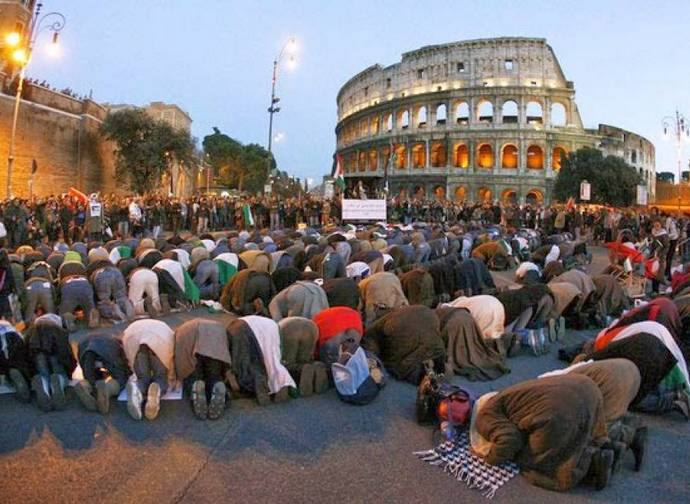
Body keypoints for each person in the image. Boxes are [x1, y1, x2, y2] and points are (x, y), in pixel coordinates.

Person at [472, 374, 614, 492]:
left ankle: (593, 463)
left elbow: (510, 439)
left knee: (535, 462)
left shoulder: (484, 415)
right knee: (583, 432)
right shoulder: (503, 396)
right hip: (587, 386)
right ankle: (613, 442)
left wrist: (491, 458)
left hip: (560, 409)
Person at [174, 318, 232, 420]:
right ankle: (216, 384)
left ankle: (195, 385)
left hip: (188, 335)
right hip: (215, 332)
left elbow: (179, 358)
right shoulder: (218, 325)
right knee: (214, 374)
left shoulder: (180, 330)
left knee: (192, 373)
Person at [122, 319, 176, 421]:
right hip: (159, 340)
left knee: (142, 377)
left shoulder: (133, 326)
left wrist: (134, 370)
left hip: (133, 337)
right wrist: (172, 378)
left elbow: (128, 357)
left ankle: (136, 391)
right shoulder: (168, 329)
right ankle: (157, 391)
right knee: (160, 376)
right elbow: (171, 358)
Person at [74, 332, 130, 414]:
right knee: (121, 379)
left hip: (86, 349)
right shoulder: (116, 342)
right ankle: (107, 390)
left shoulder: (84, 339)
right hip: (108, 350)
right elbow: (123, 367)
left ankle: (84, 387)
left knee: (90, 377)